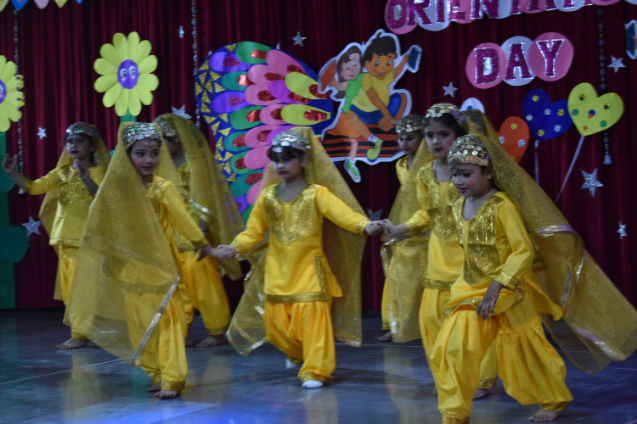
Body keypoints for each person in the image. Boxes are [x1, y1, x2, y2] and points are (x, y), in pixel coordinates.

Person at [65, 122, 222, 399]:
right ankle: (157, 373)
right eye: (140, 153)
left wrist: (208, 248)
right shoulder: (119, 189)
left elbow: (185, 222)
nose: (149, 159)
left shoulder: (163, 188)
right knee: (141, 329)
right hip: (131, 270)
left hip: (162, 269)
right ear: (126, 156)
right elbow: (106, 222)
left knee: (169, 325)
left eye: (154, 153)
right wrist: (109, 259)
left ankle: (173, 378)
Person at [217, 127, 382, 388]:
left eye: (287, 159)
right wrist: (235, 248)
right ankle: (297, 353)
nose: (280, 165)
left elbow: (343, 215)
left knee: (313, 324)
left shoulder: (316, 193)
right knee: (275, 328)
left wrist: (365, 225)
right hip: (277, 274)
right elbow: (253, 232)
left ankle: (316, 371)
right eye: (276, 160)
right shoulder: (268, 196)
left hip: (309, 273)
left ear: (304, 160)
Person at [433, 133, 573, 423]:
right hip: (470, 290)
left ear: (488, 172)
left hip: (508, 290)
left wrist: (498, 285)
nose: (458, 181)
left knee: (524, 348)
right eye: (454, 174)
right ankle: (454, 413)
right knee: (454, 347)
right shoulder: (459, 206)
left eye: (467, 174)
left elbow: (523, 251)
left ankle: (552, 400)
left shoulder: (502, 206)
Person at [381, 104, 497, 398]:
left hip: (470, 261)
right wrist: (398, 229)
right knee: (433, 323)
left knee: (473, 326)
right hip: (437, 261)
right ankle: (447, 376)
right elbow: (426, 214)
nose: (436, 141)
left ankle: (479, 380)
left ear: (459, 135)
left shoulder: (475, 169)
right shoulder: (424, 174)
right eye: (430, 135)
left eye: (444, 134)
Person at [2, 122, 109, 350]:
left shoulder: (97, 172)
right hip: (64, 240)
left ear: (92, 147)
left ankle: (82, 334)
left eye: (80, 141)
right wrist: (12, 173)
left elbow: (101, 196)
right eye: (69, 141)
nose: (73, 145)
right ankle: (80, 332)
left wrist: (85, 178)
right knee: (70, 289)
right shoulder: (61, 172)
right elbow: (34, 187)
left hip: (86, 241)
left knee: (84, 289)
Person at [154, 114, 243, 348]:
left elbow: (205, 200)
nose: (158, 148)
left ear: (176, 138)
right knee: (177, 287)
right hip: (170, 232)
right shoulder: (159, 167)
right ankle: (183, 332)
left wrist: (202, 233)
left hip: (194, 232)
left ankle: (216, 331)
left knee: (204, 286)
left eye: (162, 142)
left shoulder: (194, 164)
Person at [378, 114, 432, 343]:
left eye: (410, 138)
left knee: (425, 281)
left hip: (428, 226)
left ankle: (426, 326)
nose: (404, 143)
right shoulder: (401, 165)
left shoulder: (431, 166)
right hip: (405, 225)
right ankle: (398, 326)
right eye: (400, 138)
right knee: (398, 278)